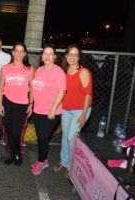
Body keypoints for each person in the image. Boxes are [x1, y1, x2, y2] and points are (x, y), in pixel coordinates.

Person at [53, 44, 92, 178]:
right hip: (66, 109)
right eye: (70, 54)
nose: (72, 57)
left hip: (80, 110)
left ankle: (72, 167)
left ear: (79, 57)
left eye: (75, 54)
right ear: (65, 56)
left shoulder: (83, 72)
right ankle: (64, 162)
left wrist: (83, 115)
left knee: (71, 138)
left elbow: (88, 95)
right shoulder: (64, 71)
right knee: (65, 135)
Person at [30, 44, 66, 175]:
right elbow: (34, 88)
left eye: (51, 54)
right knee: (41, 137)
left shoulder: (58, 71)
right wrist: (31, 104)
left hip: (52, 112)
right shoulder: (39, 70)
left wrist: (53, 109)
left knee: (43, 137)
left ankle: (41, 161)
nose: (48, 56)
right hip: (38, 110)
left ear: (55, 57)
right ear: (42, 56)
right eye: (45, 53)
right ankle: (43, 160)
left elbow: (62, 91)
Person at [0, 42, 34, 166]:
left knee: (17, 132)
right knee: (8, 131)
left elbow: (32, 88)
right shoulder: (5, 68)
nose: (18, 54)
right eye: (16, 51)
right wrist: (0, 104)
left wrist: (31, 104)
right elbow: (0, 87)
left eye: (21, 51)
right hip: (7, 103)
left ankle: (18, 153)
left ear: (24, 54)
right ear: (12, 53)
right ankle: (12, 154)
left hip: (22, 105)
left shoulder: (29, 69)